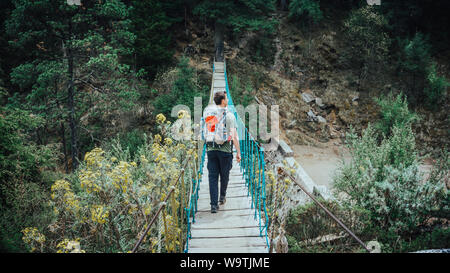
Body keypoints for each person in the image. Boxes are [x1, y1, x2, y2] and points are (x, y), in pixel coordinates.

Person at [206, 91, 241, 213]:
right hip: (225, 151)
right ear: (222, 101)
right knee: (224, 176)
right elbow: (234, 136)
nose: (227, 100)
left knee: (212, 177)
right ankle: (222, 197)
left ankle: (213, 205)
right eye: (226, 98)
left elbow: (207, 133)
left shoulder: (209, 114)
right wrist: (238, 152)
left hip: (211, 150)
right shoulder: (230, 116)